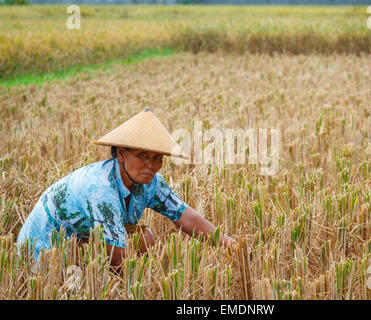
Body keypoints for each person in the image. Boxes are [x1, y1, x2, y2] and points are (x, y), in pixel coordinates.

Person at [17, 108, 235, 266]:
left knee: (144, 238)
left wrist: (230, 245)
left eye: (157, 157)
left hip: (83, 241)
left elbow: (185, 217)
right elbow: (117, 255)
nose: (151, 164)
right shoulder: (101, 188)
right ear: (121, 153)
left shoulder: (151, 182)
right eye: (142, 155)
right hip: (46, 250)